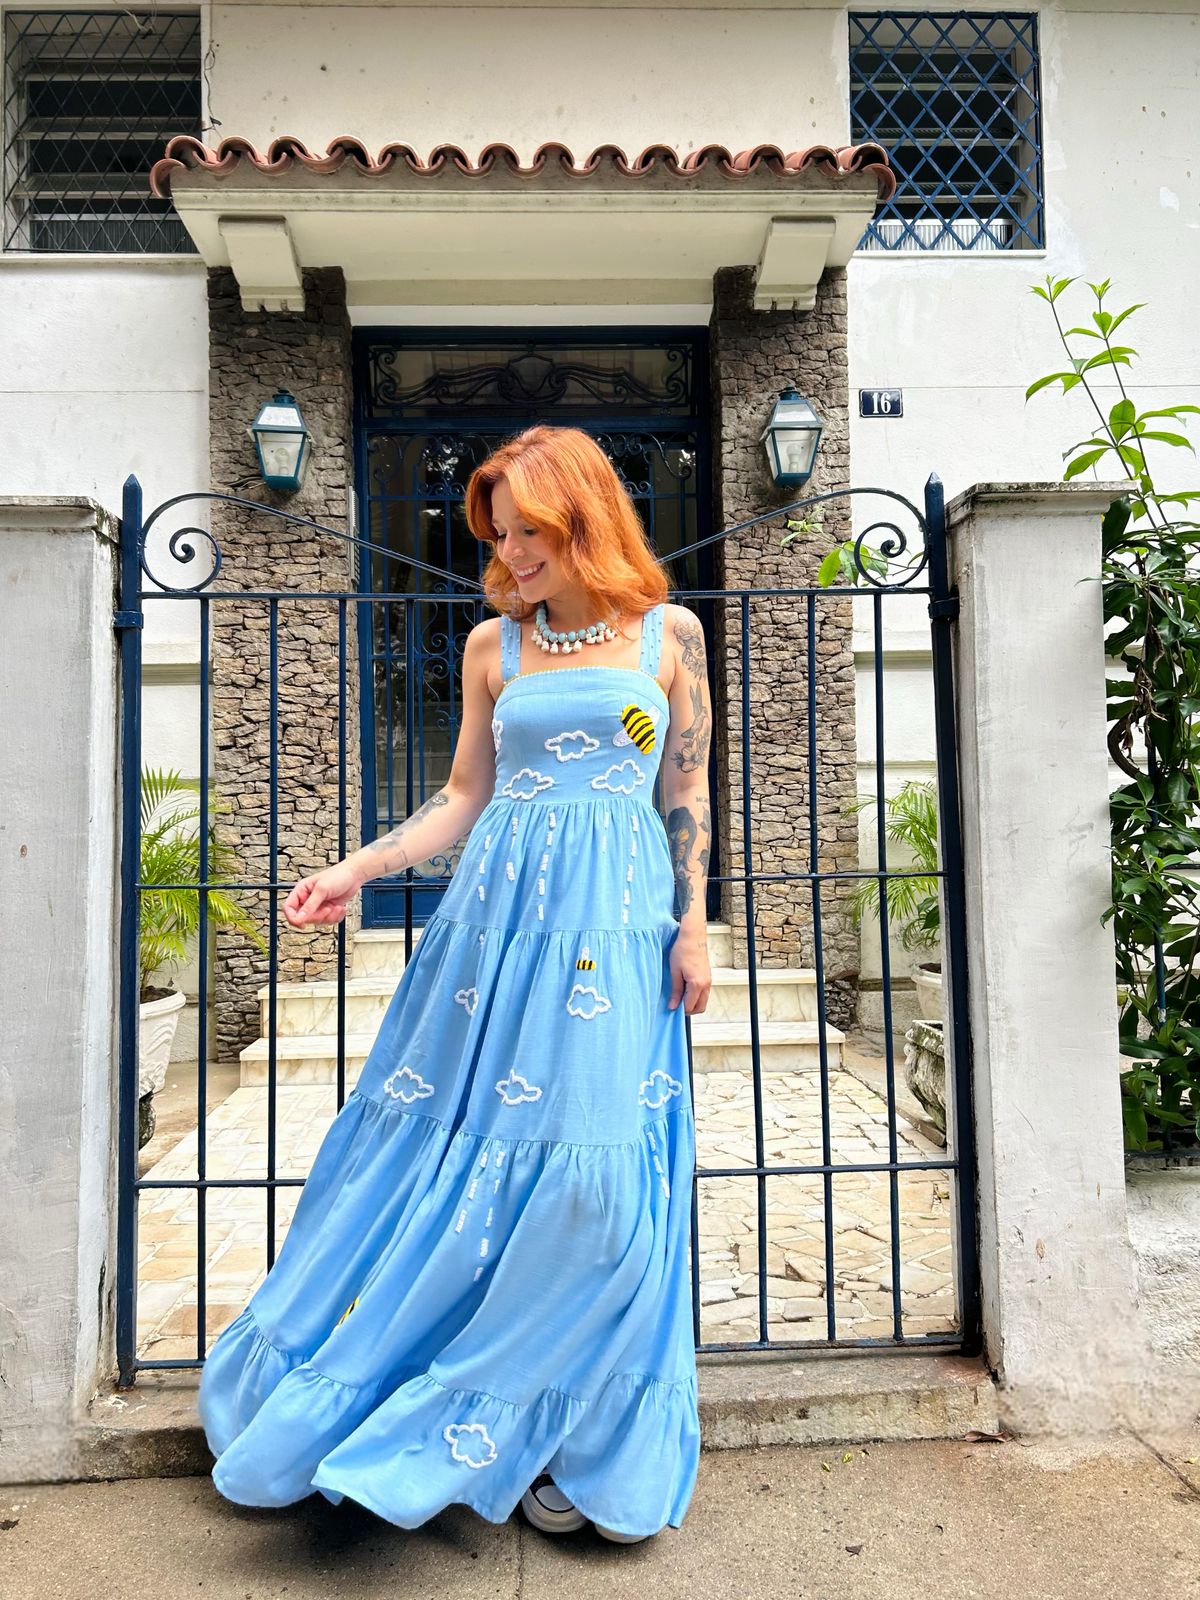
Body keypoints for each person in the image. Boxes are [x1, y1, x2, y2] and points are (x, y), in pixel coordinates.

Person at [197, 424, 714, 1543]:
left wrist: (693, 927)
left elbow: (686, 793)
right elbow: (463, 797)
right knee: (458, 1158)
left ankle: (572, 1425)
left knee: (598, 1186)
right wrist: (360, 867)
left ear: (584, 518)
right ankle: (477, 1425)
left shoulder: (669, 635)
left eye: (529, 532)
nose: (511, 554)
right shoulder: (496, 647)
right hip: (494, 934)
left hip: (616, 932)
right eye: (499, 535)